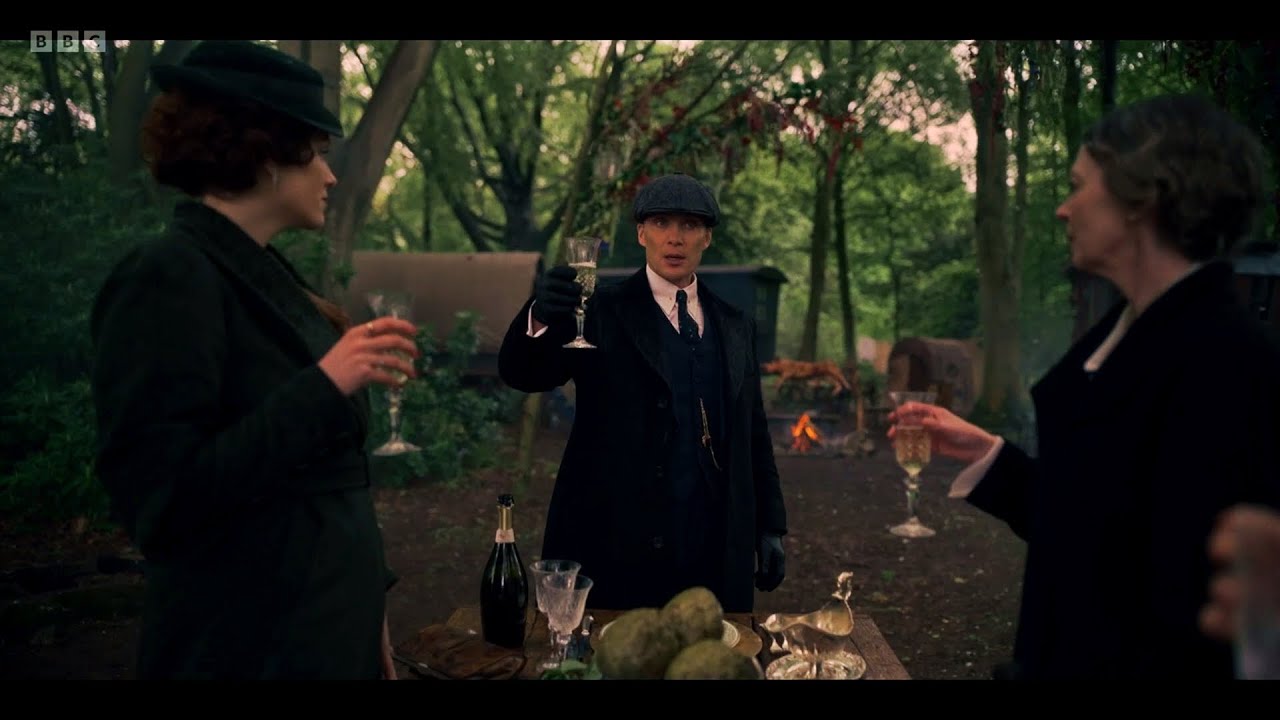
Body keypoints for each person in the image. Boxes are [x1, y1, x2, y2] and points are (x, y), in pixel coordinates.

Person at [891, 93, 1280, 679]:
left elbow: (1176, 612)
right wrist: (988, 454)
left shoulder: (1225, 365)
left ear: (1142, 197)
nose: (1063, 209)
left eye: (1078, 186)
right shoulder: (1125, 334)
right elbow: (1097, 527)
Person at [89, 40, 418, 679]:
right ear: (266, 155)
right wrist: (325, 385)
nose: (330, 176)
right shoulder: (167, 277)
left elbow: (329, 483)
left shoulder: (264, 274)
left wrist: (366, 601)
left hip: (324, 627)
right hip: (250, 645)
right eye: (316, 154)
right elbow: (164, 504)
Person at [498, 173, 787, 613]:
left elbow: (754, 431)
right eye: (661, 223)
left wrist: (770, 525)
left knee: (711, 648)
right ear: (641, 233)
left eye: (689, 225)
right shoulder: (598, 311)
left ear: (706, 237)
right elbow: (524, 373)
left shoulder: (735, 324)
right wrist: (539, 315)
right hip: (617, 538)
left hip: (711, 542)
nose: (675, 238)